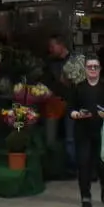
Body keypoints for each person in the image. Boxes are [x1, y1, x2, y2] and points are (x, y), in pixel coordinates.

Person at [67, 54, 104, 207]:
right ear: (85, 69)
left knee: (103, 163)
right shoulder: (78, 87)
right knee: (83, 165)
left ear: (99, 69)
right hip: (83, 132)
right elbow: (70, 109)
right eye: (89, 67)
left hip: (102, 132)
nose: (92, 70)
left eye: (95, 67)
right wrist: (77, 114)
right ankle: (86, 200)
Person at [46, 34, 77, 175]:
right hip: (55, 103)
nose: (50, 49)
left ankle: (73, 167)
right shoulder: (51, 63)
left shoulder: (74, 61)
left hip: (72, 103)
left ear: (61, 45)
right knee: (55, 136)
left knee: (71, 138)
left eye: (52, 46)